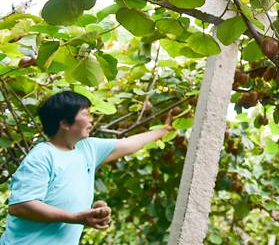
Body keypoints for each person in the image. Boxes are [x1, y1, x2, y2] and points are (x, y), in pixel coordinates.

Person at [1, 90, 172, 244]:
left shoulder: (88, 148)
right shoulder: (41, 157)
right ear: (65, 123)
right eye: (86, 114)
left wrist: (165, 130)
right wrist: (75, 217)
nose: (91, 119)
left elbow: (130, 143)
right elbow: (20, 206)